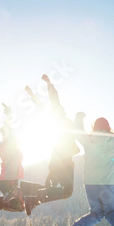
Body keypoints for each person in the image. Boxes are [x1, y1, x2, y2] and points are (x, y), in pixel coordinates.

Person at [22, 74, 80, 215]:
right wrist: (48, 83)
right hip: (65, 163)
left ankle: (26, 191)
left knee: (48, 188)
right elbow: (54, 98)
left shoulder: (53, 118)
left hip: (55, 162)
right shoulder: (63, 120)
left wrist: (31, 93)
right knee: (66, 192)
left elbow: (40, 104)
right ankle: (30, 198)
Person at [0, 103, 25, 219]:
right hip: (8, 182)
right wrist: (9, 114)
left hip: (9, 182)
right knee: (19, 204)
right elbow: (9, 129)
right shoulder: (9, 146)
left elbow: (9, 131)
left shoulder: (6, 146)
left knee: (20, 206)